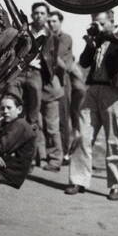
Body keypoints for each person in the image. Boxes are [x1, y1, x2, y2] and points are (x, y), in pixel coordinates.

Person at [67, 10, 118, 201]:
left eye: (100, 22)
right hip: (93, 89)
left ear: (112, 21)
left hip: (116, 92)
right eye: (94, 22)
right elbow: (84, 62)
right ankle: (78, 180)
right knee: (83, 135)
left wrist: (106, 34)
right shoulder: (97, 38)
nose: (96, 26)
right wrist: (90, 45)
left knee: (116, 140)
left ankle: (116, 185)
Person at [6, 2, 63, 170]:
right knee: (13, 112)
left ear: (47, 16)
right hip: (18, 72)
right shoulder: (23, 29)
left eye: (42, 13)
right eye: (36, 13)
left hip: (36, 75)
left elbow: (52, 60)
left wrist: (48, 75)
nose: (39, 16)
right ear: (32, 15)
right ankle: (9, 154)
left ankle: (27, 160)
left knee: (33, 118)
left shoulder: (51, 36)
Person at [48, 9, 86, 165]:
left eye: (54, 21)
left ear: (60, 22)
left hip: (63, 81)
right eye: (49, 21)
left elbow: (56, 55)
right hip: (50, 80)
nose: (51, 24)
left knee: (64, 118)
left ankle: (65, 153)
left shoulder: (64, 38)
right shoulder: (49, 37)